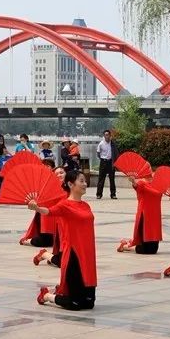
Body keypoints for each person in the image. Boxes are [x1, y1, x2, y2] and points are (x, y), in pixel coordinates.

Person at [29, 170, 97, 311]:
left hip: (88, 257)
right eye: (81, 181)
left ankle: (58, 291)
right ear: (70, 184)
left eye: (85, 181)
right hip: (74, 255)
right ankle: (47, 296)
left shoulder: (86, 205)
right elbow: (49, 211)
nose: (85, 184)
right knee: (75, 304)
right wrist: (36, 207)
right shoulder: (64, 205)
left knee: (89, 304)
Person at [117, 163, 162, 254]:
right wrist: (133, 181)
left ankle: (128, 243)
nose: (148, 171)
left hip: (155, 216)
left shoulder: (157, 183)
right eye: (145, 169)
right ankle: (126, 246)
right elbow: (136, 186)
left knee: (153, 250)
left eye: (149, 169)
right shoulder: (141, 183)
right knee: (142, 250)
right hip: (144, 216)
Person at [31, 166, 68, 266]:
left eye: (62, 172)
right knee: (62, 262)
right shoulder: (50, 191)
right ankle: (44, 254)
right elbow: (48, 209)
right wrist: (36, 206)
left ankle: (52, 257)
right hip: (61, 228)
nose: (60, 175)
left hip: (70, 228)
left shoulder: (71, 188)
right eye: (57, 173)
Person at [96, 130, 117, 199]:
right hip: (103, 162)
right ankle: (99, 194)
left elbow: (116, 153)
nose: (107, 136)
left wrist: (114, 162)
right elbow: (98, 154)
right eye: (105, 135)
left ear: (110, 136)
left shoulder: (113, 144)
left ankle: (113, 194)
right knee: (101, 179)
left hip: (111, 162)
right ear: (104, 136)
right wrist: (103, 159)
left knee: (112, 179)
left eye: (108, 135)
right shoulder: (101, 144)